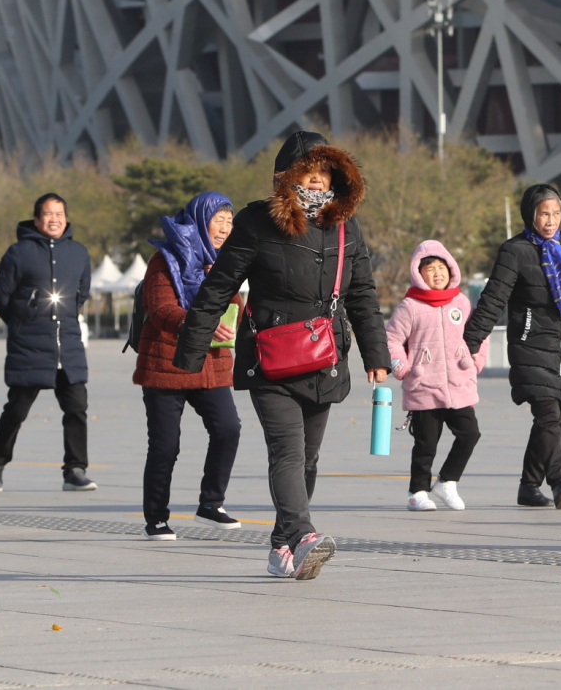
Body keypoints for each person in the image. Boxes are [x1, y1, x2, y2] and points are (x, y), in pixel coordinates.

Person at [175, 131, 390, 581]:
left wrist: (376, 352)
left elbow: (363, 294)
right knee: (287, 452)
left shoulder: (347, 227)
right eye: (307, 174)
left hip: (325, 354)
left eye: (323, 174)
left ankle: (281, 543)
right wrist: (191, 351)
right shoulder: (256, 222)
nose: (316, 183)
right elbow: (219, 287)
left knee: (308, 459)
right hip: (270, 357)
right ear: (285, 177)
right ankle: (304, 534)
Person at [462, 183, 561, 509]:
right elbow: (493, 299)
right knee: (549, 415)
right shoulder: (515, 251)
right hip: (532, 345)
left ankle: (528, 485)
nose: (551, 220)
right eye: (544, 213)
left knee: (550, 419)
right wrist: (471, 341)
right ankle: (559, 480)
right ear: (530, 214)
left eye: (556, 213)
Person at [134, 190, 243, 538]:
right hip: (166, 363)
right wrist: (200, 326)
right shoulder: (164, 259)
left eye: (229, 222)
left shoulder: (226, 260)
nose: (225, 228)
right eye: (219, 221)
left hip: (212, 364)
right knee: (166, 446)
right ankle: (157, 517)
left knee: (228, 428)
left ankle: (211, 503)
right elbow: (161, 308)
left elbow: (235, 303)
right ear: (200, 219)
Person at [0, 193, 96, 492]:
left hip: (68, 346)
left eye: (59, 213)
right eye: (48, 214)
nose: (54, 219)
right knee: (17, 410)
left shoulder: (79, 253)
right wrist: (23, 320)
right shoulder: (18, 253)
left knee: (77, 409)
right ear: (36, 220)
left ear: (66, 217)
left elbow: (80, 295)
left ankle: (75, 469)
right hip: (29, 346)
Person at [386, 240, 487, 511]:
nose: (437, 273)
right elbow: (393, 339)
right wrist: (402, 368)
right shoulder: (410, 306)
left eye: (442, 266)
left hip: (458, 384)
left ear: (452, 269)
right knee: (425, 443)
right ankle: (417, 492)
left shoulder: (461, 302)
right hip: (423, 386)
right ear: (419, 273)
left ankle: (447, 481)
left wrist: (476, 359)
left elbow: (479, 333)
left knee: (470, 433)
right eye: (430, 268)